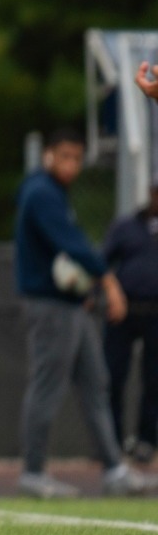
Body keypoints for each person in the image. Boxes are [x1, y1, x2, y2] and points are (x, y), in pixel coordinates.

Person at [13, 127, 152, 498]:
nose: (72, 165)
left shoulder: (54, 192)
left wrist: (84, 288)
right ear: (48, 155)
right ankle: (32, 471)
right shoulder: (41, 192)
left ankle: (113, 470)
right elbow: (70, 244)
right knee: (47, 386)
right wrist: (106, 282)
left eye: (77, 158)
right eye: (65, 157)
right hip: (50, 305)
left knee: (96, 383)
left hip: (70, 303)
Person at [103, 179, 158, 464]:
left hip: (156, 313)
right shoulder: (126, 227)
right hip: (123, 311)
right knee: (113, 376)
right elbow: (103, 262)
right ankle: (111, 441)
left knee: (154, 380)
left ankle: (147, 441)